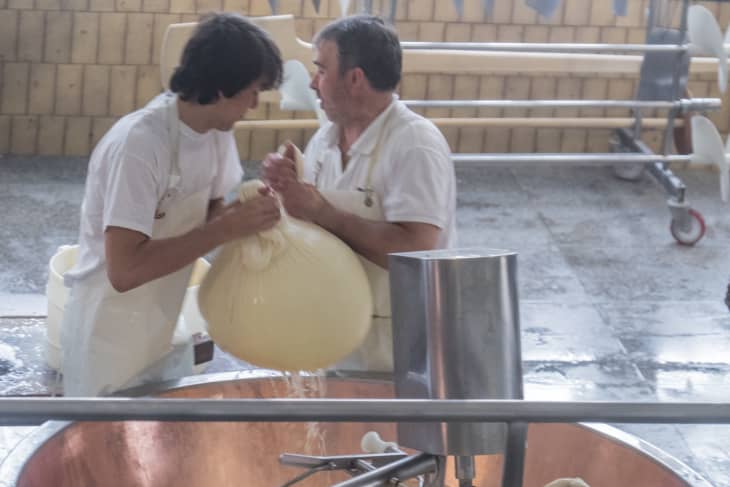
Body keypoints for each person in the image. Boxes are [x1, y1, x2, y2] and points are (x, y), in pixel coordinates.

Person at [61, 12, 283, 396]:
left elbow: (212, 215)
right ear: (220, 89)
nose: (254, 104)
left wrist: (250, 211)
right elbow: (125, 270)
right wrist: (226, 227)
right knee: (105, 447)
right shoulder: (141, 144)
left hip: (164, 326)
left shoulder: (216, 133)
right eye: (252, 91)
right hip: (108, 336)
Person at [262, 15, 457, 372]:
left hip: (396, 345)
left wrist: (322, 211)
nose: (312, 83)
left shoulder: (414, 143)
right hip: (333, 329)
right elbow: (312, 231)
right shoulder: (324, 141)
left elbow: (417, 250)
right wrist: (286, 191)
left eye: (321, 70)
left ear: (355, 79)